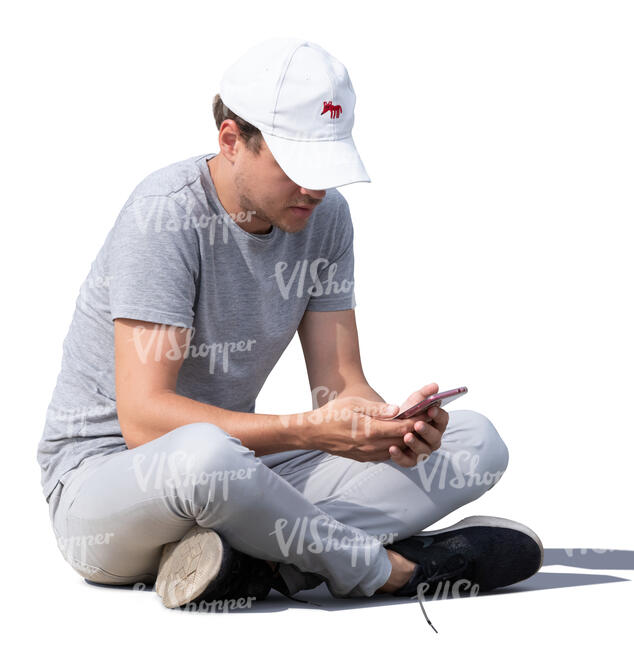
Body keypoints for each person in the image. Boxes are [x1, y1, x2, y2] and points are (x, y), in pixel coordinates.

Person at [37, 38, 543, 627]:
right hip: (108, 484)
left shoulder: (324, 219)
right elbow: (144, 421)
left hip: (242, 471)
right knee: (205, 459)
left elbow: (340, 385)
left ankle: (247, 564)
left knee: (475, 445)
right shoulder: (164, 214)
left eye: (329, 166)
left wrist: (385, 430)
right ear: (231, 140)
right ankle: (387, 571)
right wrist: (308, 432)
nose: (316, 189)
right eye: (299, 166)